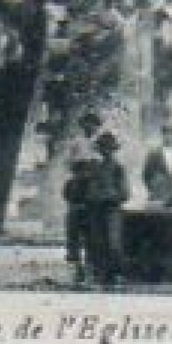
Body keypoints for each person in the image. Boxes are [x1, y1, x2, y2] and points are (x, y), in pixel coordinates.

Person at [82, 132, 130, 289]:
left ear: (113, 150)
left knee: (114, 243)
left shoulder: (118, 168)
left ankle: (118, 275)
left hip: (112, 210)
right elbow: (88, 190)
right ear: (100, 150)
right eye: (103, 148)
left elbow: (125, 193)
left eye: (109, 148)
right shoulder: (94, 167)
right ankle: (99, 275)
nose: (106, 151)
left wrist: (109, 196)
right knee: (96, 242)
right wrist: (92, 196)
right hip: (96, 210)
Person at [64, 111, 102, 267]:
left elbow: (103, 163)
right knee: (74, 218)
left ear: (97, 126)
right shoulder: (76, 142)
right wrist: (79, 170)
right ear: (82, 125)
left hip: (94, 183)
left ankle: (92, 255)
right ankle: (73, 253)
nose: (90, 126)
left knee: (93, 221)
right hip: (79, 182)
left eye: (93, 124)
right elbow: (70, 163)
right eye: (87, 123)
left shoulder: (100, 142)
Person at [142, 122, 172, 204]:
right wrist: (153, 189)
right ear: (163, 135)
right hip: (157, 196)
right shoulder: (154, 153)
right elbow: (146, 174)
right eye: (167, 133)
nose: (169, 137)